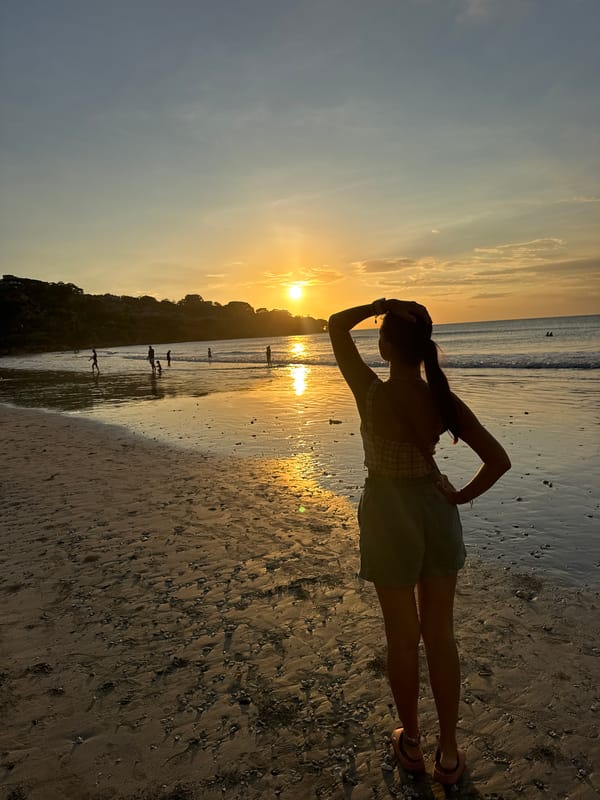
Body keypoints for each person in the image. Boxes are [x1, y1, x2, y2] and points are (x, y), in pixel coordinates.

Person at [328, 298, 510, 786]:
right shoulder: (441, 400)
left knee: (402, 641)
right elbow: (498, 460)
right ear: (425, 348)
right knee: (441, 637)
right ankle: (448, 753)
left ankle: (410, 740)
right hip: (435, 514)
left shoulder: (369, 392)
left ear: (385, 349)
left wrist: (380, 304)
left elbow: (335, 325)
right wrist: (457, 498)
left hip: (388, 516)